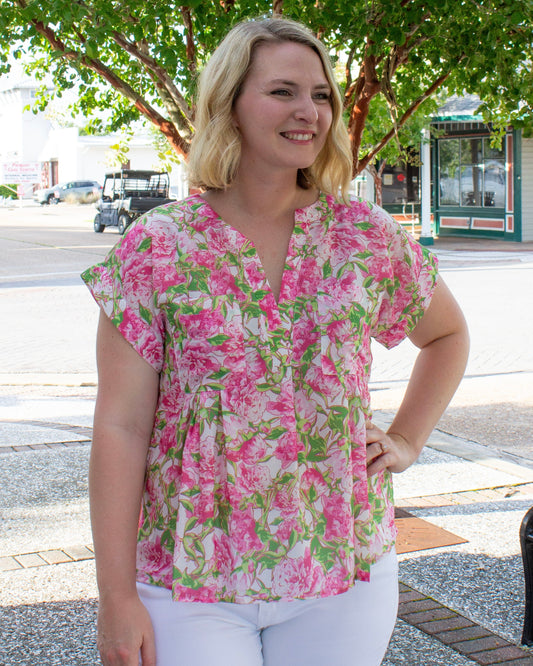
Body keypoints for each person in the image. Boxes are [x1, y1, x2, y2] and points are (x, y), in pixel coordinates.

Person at [82, 16, 469, 666]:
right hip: (189, 576)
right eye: (282, 91)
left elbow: (448, 335)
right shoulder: (160, 245)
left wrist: (405, 439)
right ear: (229, 102)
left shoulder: (362, 235)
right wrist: (114, 595)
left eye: (320, 95)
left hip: (343, 571)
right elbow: (120, 425)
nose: (308, 111)